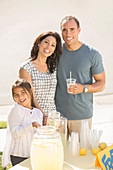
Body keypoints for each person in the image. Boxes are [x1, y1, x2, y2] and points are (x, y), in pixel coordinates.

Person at [55, 16, 106, 139]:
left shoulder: (92, 54)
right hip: (58, 116)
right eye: (64, 30)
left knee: (81, 154)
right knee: (59, 155)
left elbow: (101, 84)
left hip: (81, 116)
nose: (68, 34)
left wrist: (83, 88)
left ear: (79, 30)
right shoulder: (56, 52)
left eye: (72, 29)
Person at [19, 31, 62, 120]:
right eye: (46, 42)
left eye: (53, 45)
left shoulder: (53, 68)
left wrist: (52, 117)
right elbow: (29, 96)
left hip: (52, 116)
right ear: (39, 43)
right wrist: (42, 116)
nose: (48, 47)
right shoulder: (26, 68)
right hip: (34, 116)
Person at [2, 79, 43, 168]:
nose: (20, 97)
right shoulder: (16, 109)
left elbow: (38, 134)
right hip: (19, 156)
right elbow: (14, 133)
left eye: (23, 93)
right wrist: (30, 125)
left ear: (30, 91)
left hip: (34, 154)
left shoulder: (38, 113)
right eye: (16, 95)